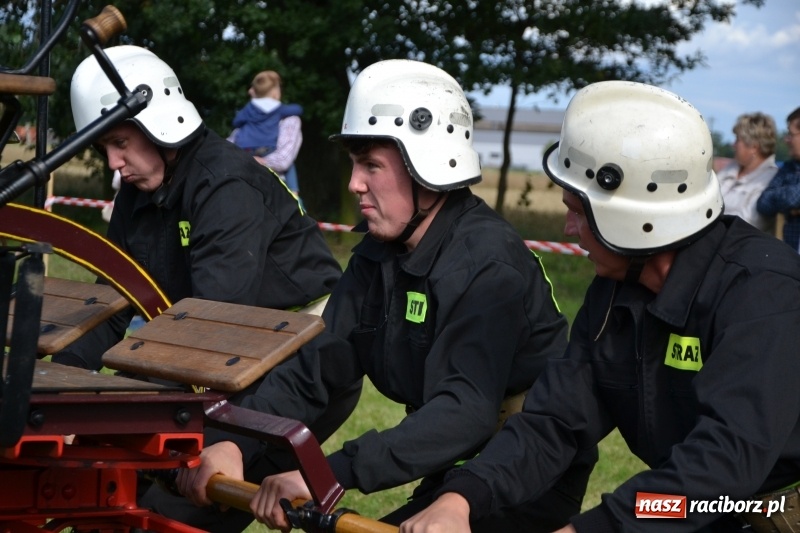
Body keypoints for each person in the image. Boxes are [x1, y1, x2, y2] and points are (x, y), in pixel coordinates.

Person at [160, 59, 597, 533]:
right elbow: (318, 368)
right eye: (354, 164)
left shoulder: (488, 264)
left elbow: (463, 410)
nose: (354, 184)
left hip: (525, 475)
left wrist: (329, 474)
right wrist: (236, 442)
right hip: (459, 464)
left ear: (427, 168)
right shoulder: (379, 252)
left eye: (371, 166)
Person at [400, 81, 800, 533]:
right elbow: (554, 422)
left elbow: (722, 466)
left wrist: (593, 528)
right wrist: (463, 496)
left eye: (579, 210)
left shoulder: (764, 293)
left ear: (637, 218)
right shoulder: (615, 290)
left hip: (762, 510)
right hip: (699, 503)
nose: (569, 228)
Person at [54, 46, 343, 370]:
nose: (113, 163)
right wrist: (59, 377)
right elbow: (112, 300)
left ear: (160, 125)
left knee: (153, 411)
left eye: (120, 143)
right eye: (102, 147)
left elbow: (215, 322)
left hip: (305, 353)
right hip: (226, 341)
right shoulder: (134, 196)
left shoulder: (225, 185)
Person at [229, 70, 303, 198]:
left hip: (244, 149)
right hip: (267, 149)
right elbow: (298, 109)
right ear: (275, 92)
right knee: (289, 166)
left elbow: (237, 121)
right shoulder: (278, 109)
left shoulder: (249, 109)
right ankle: (294, 195)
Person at [717, 112, 778, 233]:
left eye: (737, 140)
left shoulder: (771, 178)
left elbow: (749, 221)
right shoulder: (730, 168)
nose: (733, 145)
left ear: (753, 147)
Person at [757, 107, 800, 251]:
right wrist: (792, 203)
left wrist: (788, 202)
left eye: (791, 134)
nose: (786, 139)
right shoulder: (789, 169)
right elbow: (764, 203)